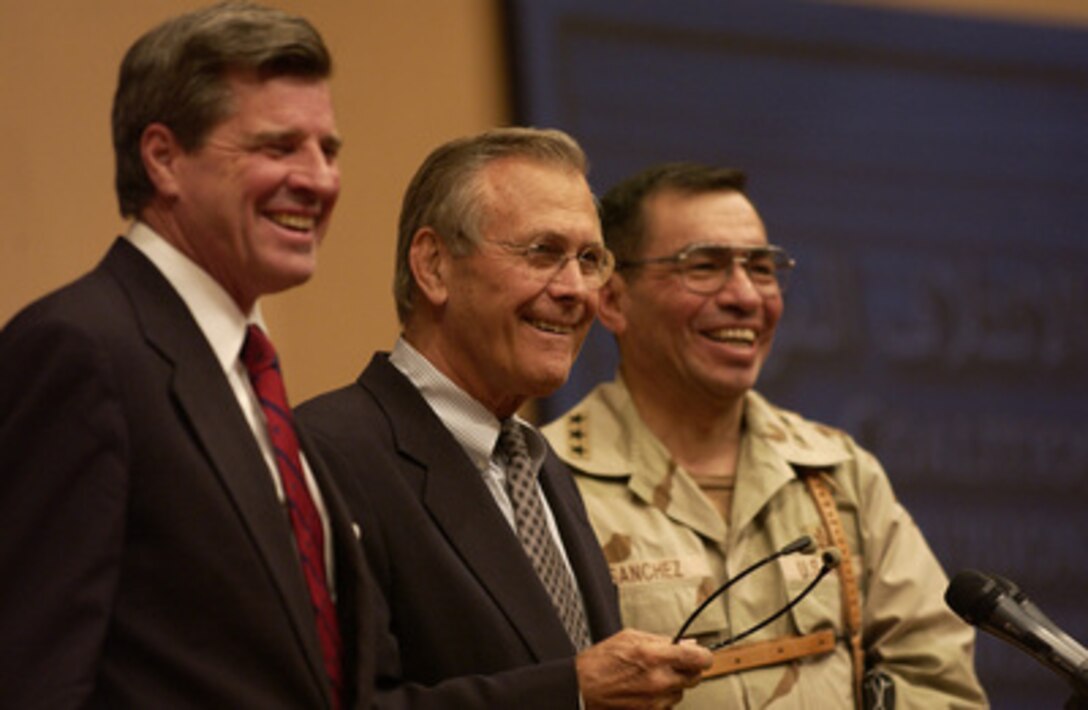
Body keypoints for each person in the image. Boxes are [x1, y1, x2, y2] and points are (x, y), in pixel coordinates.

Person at [0, 4, 373, 707]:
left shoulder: (245, 370)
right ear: (164, 158)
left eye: (329, 149)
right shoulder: (80, 351)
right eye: (279, 146)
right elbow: (32, 670)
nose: (320, 180)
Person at [542, 162, 988, 709]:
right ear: (611, 299)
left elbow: (938, 679)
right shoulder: (546, 485)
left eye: (761, 268)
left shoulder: (838, 473)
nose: (745, 296)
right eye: (703, 266)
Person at [296, 128, 712, 709]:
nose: (575, 291)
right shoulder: (322, 456)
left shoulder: (539, 466)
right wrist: (570, 693)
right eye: (542, 252)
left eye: (590, 260)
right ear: (434, 265)